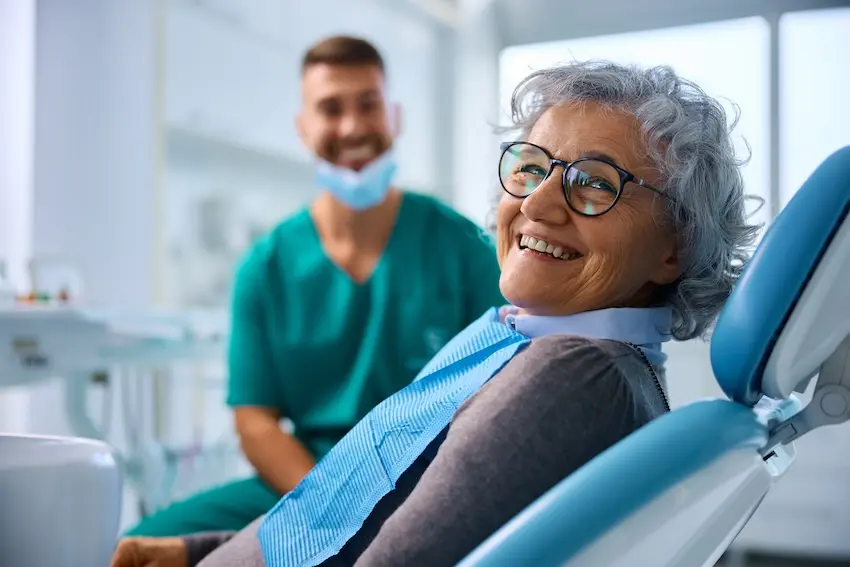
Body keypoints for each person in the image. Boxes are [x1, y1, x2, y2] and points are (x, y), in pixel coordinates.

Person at [112, 60, 761, 567]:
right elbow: (372, 502)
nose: (536, 204)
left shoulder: (570, 374)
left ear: (674, 245)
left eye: (595, 181)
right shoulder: (533, 342)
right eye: (531, 167)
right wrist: (199, 550)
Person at [123, 35, 505, 537]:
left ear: (395, 117)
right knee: (141, 547)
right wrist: (332, 504)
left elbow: (503, 385)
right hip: (307, 477)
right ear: (303, 129)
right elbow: (255, 421)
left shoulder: (461, 246)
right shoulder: (266, 267)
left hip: (433, 475)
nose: (351, 126)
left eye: (368, 105)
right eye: (330, 109)